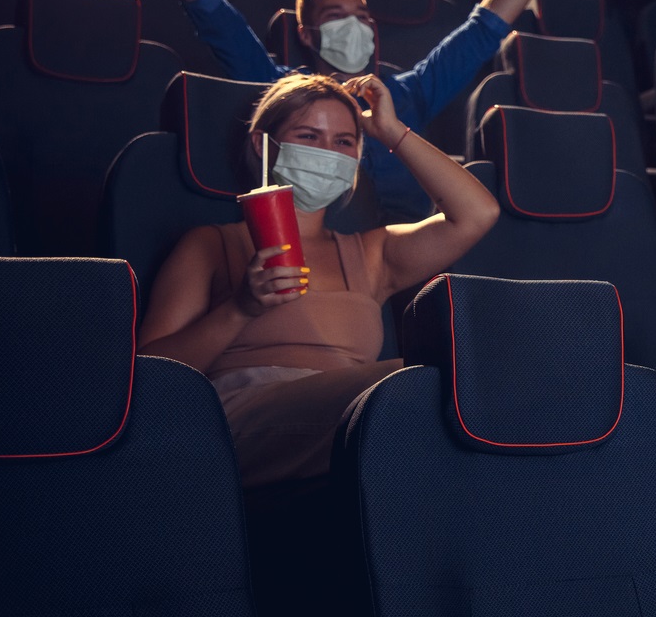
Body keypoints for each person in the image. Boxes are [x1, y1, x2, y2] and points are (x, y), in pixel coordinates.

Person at [115, 0, 582, 221]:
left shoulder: (407, 92)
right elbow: (213, 13)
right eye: (336, 16)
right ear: (306, 33)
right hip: (325, 241)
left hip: (405, 245)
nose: (354, 25)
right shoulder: (278, 89)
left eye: (361, 15)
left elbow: (483, 30)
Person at [138, 73, 500, 487]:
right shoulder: (211, 244)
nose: (328, 152)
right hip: (245, 418)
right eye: (309, 135)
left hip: (363, 418)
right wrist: (240, 309)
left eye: (344, 142)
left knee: (444, 389)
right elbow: (153, 372)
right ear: (263, 144)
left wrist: (391, 131)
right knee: (417, 386)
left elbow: (477, 215)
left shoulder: (372, 253)